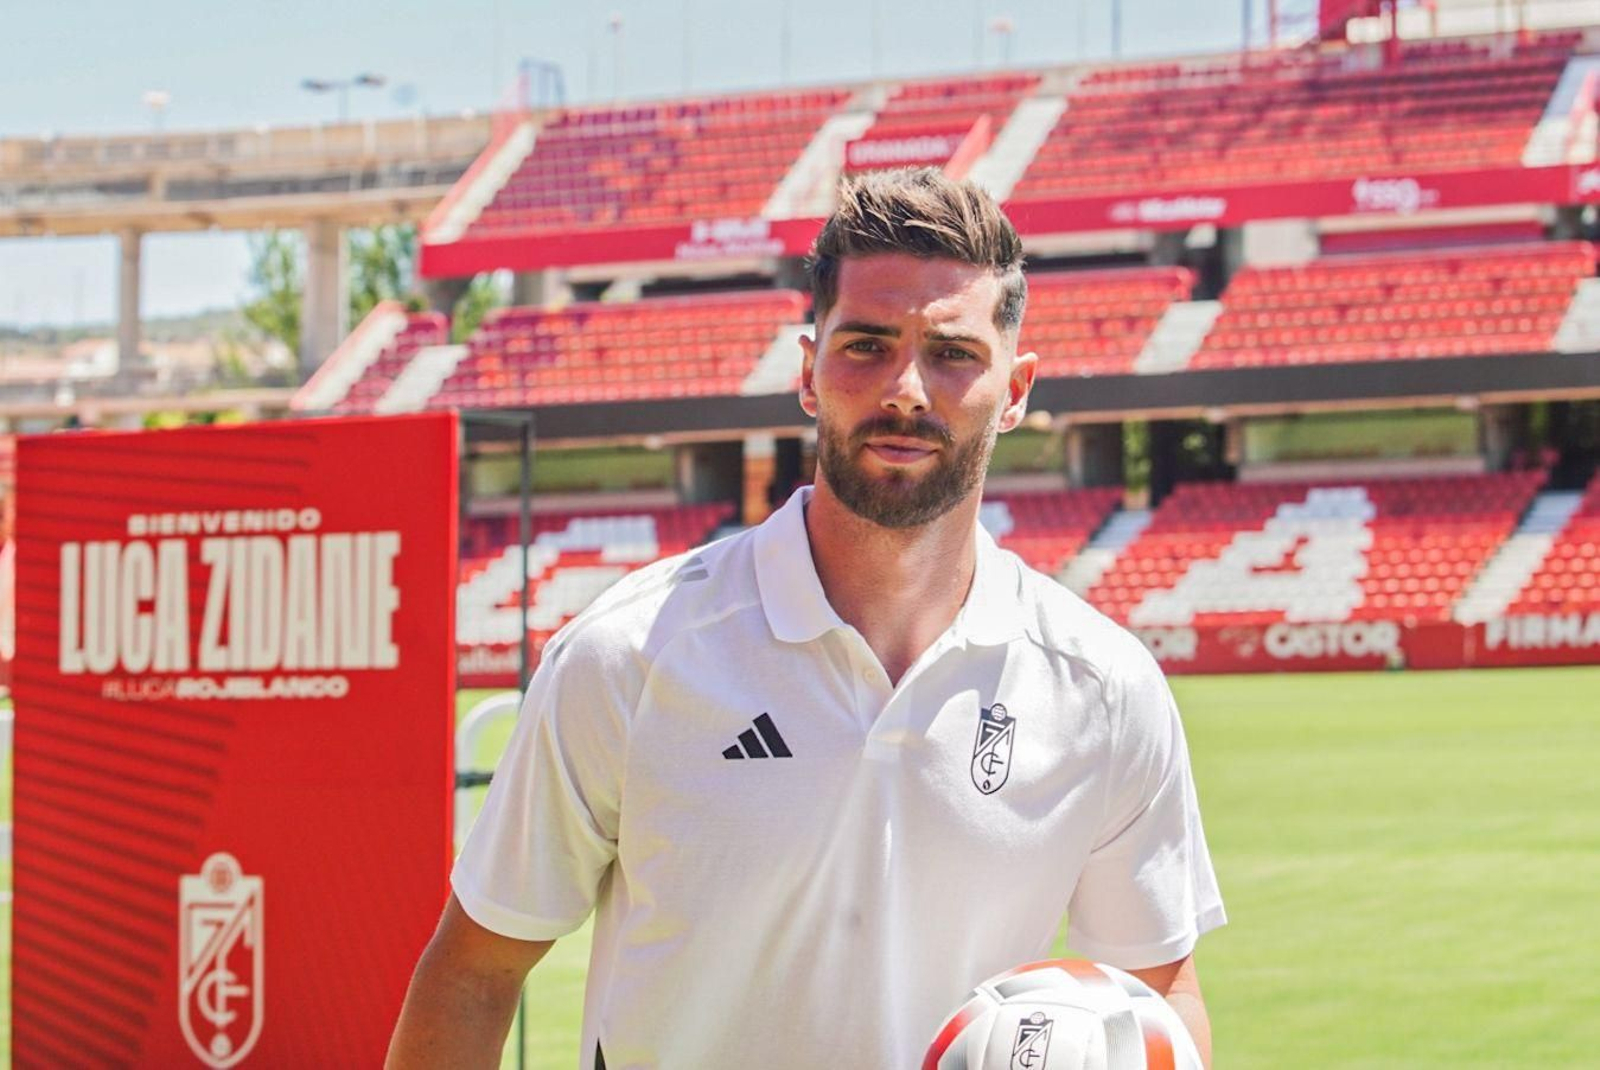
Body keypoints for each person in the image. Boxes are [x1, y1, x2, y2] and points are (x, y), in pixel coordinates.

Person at [387, 168, 1225, 1069]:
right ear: (807, 370)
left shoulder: (1103, 686)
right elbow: (476, 972)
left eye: (953, 355)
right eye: (866, 345)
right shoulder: (632, 653)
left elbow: (1155, 991)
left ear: (1015, 389)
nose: (906, 388)